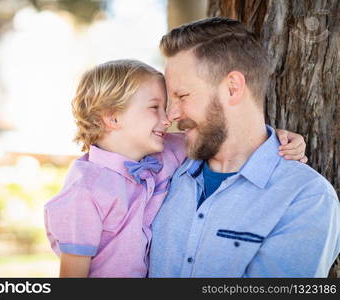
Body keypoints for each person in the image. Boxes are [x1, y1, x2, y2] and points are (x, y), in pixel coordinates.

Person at [44, 59, 306, 278]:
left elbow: (232, 139)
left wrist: (280, 139)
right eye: (154, 108)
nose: (167, 118)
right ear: (113, 117)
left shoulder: (167, 151)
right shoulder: (85, 189)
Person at [148, 17, 340, 278]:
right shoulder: (162, 168)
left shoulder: (306, 198)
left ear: (233, 87)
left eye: (182, 96)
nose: (171, 115)